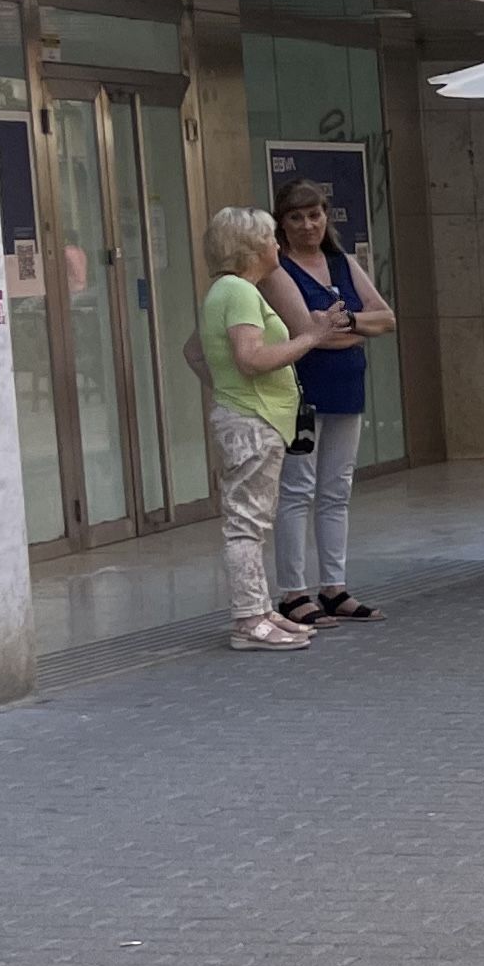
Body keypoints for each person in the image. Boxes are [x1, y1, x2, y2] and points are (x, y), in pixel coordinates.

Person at [193, 206, 355, 655]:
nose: (277, 246)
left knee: (253, 520)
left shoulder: (226, 292)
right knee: (246, 524)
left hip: (246, 415)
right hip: (253, 420)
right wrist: (312, 338)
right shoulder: (240, 292)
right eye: (270, 238)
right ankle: (249, 619)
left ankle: (261, 611)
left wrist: (226, 392)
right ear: (250, 248)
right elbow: (250, 357)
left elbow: (195, 352)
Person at [264, 177, 396, 625]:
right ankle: (293, 593)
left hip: (347, 390)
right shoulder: (278, 269)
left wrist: (351, 321)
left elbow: (387, 317)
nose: (308, 225)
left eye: (315, 215)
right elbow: (309, 334)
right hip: (303, 392)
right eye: (296, 217)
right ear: (281, 224)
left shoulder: (340, 262)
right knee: (297, 490)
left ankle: (334, 588)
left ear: (327, 216)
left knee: (337, 490)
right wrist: (353, 333)